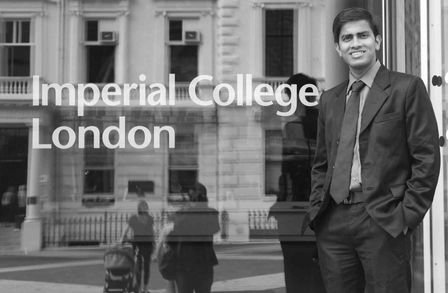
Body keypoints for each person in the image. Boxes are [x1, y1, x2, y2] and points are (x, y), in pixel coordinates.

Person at [308, 7, 440, 293]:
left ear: (377, 41)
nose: (355, 43)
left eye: (363, 35)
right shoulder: (329, 100)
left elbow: (427, 158)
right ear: (338, 47)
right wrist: (318, 209)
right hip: (334, 222)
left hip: (383, 219)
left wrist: (405, 217)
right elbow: (321, 163)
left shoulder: (407, 88)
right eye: (347, 38)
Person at [269, 73, 320, 293]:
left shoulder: (293, 128)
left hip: (296, 210)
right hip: (320, 208)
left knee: (296, 272)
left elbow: (289, 173)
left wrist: (280, 204)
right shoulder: (326, 124)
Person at [168, 182, 220, 293]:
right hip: (193, 266)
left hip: (190, 266)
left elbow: (215, 228)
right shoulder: (208, 213)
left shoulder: (184, 213)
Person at [121, 200, 155, 293]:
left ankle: (145, 288)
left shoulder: (150, 218)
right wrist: (122, 239)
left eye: (145, 206)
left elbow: (152, 231)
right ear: (139, 208)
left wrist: (154, 244)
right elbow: (127, 228)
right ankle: (139, 288)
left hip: (148, 245)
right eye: (143, 206)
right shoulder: (134, 218)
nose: (144, 208)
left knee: (147, 267)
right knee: (138, 267)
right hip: (137, 245)